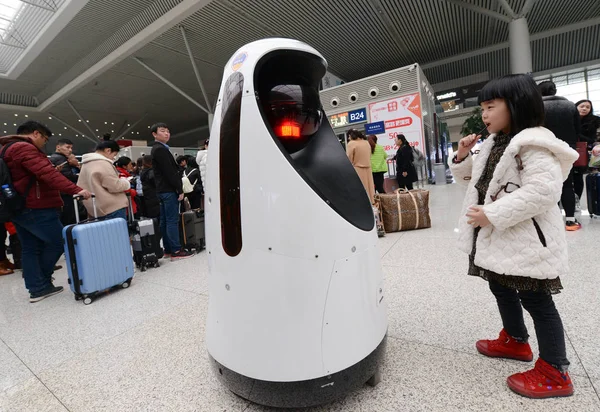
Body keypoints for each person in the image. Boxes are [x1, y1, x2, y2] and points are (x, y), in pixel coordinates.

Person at [450, 74, 578, 399]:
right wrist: (463, 157)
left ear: (516, 105)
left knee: (537, 299)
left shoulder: (533, 144)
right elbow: (476, 182)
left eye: (491, 106)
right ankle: (516, 340)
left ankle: (555, 370)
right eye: (483, 108)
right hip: (500, 239)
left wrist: (491, 214)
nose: (485, 115)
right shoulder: (495, 142)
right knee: (500, 285)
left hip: (527, 241)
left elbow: (543, 191)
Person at [0, 121, 91, 302]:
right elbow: (47, 174)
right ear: (36, 134)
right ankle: (41, 281)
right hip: (36, 206)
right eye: (45, 139)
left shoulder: (6, 149)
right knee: (59, 241)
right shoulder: (23, 148)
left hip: (18, 205)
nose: (44, 143)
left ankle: (38, 288)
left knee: (30, 248)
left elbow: (30, 175)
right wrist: (76, 189)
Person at [538, 81, 582, 231]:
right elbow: (578, 128)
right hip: (566, 148)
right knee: (567, 183)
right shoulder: (570, 105)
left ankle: (552, 219)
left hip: (544, 147)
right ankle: (570, 220)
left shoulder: (537, 107)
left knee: (547, 182)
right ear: (555, 90)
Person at [150, 123, 193, 260]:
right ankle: (176, 250)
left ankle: (168, 249)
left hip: (162, 190)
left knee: (164, 221)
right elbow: (170, 173)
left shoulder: (157, 149)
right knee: (172, 221)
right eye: (162, 131)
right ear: (155, 134)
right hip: (168, 190)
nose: (167, 133)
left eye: (168, 131)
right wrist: (179, 189)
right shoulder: (160, 150)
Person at [77, 141, 131, 220]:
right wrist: (126, 182)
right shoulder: (103, 163)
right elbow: (114, 186)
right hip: (112, 208)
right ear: (108, 150)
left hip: (95, 208)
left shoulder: (86, 164)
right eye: (114, 155)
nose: (114, 158)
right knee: (117, 231)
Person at [49, 138, 80, 225]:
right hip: (65, 194)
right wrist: (79, 174)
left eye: (71, 148)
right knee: (68, 219)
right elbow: (68, 177)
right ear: (58, 147)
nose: (70, 150)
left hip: (59, 193)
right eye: (67, 147)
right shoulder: (60, 159)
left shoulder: (54, 157)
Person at [346, 129, 375, 204]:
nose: (348, 138)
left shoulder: (351, 144)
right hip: (368, 168)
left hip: (358, 169)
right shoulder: (366, 142)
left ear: (351, 135)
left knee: (360, 189)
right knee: (369, 188)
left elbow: (349, 158)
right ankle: (371, 203)